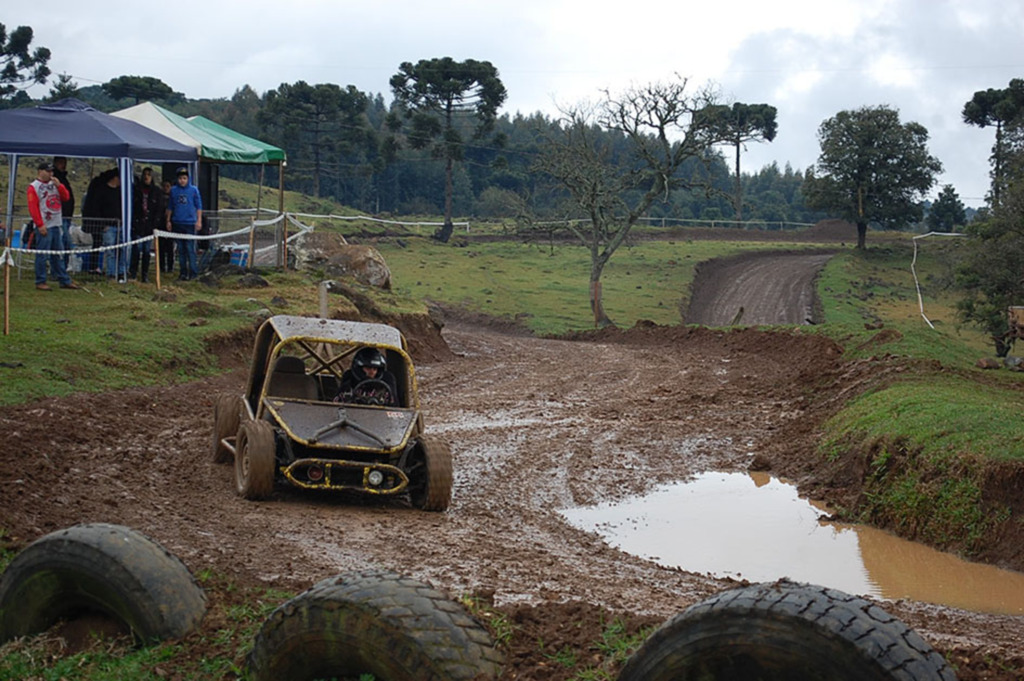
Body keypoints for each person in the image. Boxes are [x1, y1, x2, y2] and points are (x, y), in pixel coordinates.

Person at [27, 162, 79, 291]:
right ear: (40, 171)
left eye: (52, 172)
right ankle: (40, 280)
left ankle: (63, 279)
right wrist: (40, 224)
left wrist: (59, 186)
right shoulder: (34, 187)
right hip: (44, 224)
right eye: (48, 171)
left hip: (56, 223)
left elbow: (66, 197)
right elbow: (33, 208)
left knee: (58, 253)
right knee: (43, 254)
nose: (51, 174)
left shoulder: (54, 184)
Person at [81, 168, 122, 277]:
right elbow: (95, 208)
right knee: (107, 249)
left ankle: (118, 271)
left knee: (117, 249)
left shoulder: (119, 191)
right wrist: (102, 224)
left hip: (117, 224)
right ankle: (107, 271)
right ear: (115, 178)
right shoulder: (100, 190)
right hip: (105, 225)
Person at [165, 167, 202, 281]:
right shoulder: (174, 190)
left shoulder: (194, 190)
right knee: (180, 250)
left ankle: (193, 273)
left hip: (190, 223)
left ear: (188, 179)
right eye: (180, 178)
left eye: (184, 178)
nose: (182, 180)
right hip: (177, 222)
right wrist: (168, 220)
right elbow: (170, 206)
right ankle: (182, 273)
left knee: (190, 249)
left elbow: (199, 206)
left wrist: (199, 220)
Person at [333, 347, 399, 406]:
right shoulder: (349, 384)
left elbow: (394, 407)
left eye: (375, 369)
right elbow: (336, 405)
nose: (372, 371)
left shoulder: (385, 388)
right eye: (368, 368)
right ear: (359, 368)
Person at [128, 167, 161, 282]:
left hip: (149, 226)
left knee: (147, 251)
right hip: (138, 224)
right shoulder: (136, 189)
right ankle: (133, 273)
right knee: (136, 250)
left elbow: (158, 209)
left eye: (149, 175)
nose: (146, 177)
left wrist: (155, 224)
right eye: (145, 174)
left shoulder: (156, 191)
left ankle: (144, 275)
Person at [51, 156, 74, 268]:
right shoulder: (55, 179)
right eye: (60, 163)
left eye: (64, 163)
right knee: (63, 243)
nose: (63, 165)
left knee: (64, 243)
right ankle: (59, 268)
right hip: (59, 216)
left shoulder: (63, 178)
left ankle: (62, 267)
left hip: (66, 216)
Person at [157, 179, 175, 274]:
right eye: (164, 186)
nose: (166, 188)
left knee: (170, 248)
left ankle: (170, 266)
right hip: (161, 224)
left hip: (171, 224)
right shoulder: (159, 197)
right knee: (161, 247)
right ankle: (162, 266)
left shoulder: (173, 198)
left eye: (168, 186)